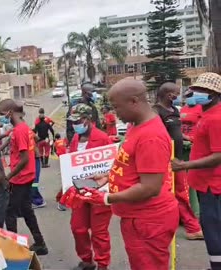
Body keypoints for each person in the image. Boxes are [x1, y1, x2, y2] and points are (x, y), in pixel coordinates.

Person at [76, 79, 179, 270]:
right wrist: (107, 176)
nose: (116, 113)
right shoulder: (136, 126)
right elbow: (131, 163)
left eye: (117, 107)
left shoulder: (151, 136)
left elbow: (150, 187)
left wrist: (107, 198)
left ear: (133, 101)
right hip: (138, 219)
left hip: (149, 220)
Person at [171, 72, 221, 270]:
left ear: (215, 94)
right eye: (196, 89)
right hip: (204, 183)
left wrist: (185, 166)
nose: (197, 93)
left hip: (213, 185)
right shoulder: (206, 114)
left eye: (203, 91)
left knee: (214, 230)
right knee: (211, 229)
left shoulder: (216, 119)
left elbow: (219, 155)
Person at [64, 104, 113, 270]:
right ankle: (86, 260)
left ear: (87, 119)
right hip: (80, 190)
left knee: (99, 233)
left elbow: (111, 167)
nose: (74, 125)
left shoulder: (102, 138)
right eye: (72, 122)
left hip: (99, 190)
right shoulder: (76, 139)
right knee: (78, 228)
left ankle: (102, 264)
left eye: (77, 121)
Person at [0, 99, 48, 255]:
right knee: (26, 210)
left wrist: (9, 176)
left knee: (9, 212)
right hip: (26, 176)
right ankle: (40, 243)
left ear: (9, 113)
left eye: (2, 114)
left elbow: (25, 158)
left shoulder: (20, 131)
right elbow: (13, 140)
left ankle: (13, 248)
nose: (2, 118)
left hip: (20, 177)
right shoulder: (23, 128)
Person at [152, 82, 203, 240]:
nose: (179, 95)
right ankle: (191, 227)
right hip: (167, 161)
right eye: (177, 92)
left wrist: (185, 137)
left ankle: (188, 226)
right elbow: (156, 136)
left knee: (181, 193)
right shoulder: (156, 112)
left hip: (178, 158)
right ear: (169, 95)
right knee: (177, 194)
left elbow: (175, 131)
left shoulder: (173, 110)